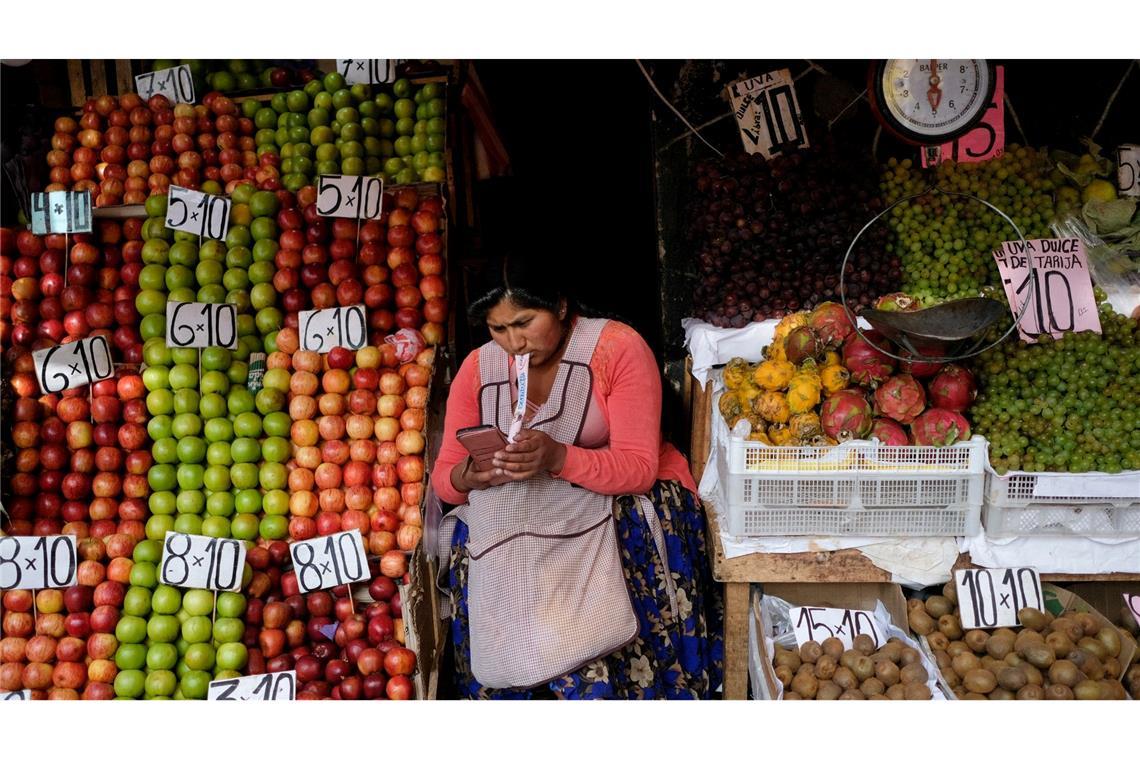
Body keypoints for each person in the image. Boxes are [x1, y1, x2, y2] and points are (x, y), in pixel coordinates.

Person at [431, 256, 723, 699]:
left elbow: (639, 469)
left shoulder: (616, 348)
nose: (514, 342)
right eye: (498, 328)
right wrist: (471, 475)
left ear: (562, 306)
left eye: (524, 322)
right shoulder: (478, 369)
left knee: (631, 523)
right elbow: (444, 484)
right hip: (532, 510)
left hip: (613, 495)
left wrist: (558, 457)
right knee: (467, 536)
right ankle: (518, 678)